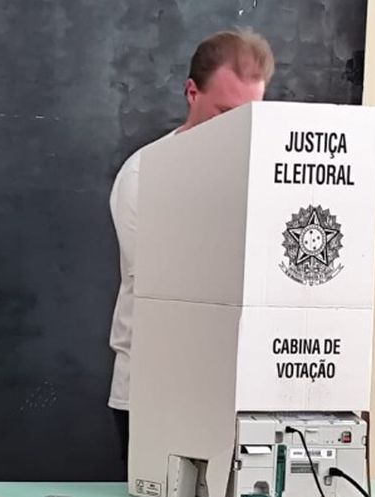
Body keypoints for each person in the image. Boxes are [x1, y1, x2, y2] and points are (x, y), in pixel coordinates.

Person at [107, 28, 275, 463]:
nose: (239, 126)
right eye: (226, 111)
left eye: (251, 113)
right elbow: (166, 286)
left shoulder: (267, 179)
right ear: (191, 92)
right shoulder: (145, 174)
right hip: (155, 393)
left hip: (244, 395)